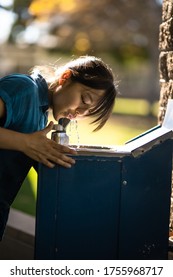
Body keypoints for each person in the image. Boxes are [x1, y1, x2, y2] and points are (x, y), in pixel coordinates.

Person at [0, 55, 117, 240]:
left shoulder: (41, 115)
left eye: (88, 112)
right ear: (65, 78)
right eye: (84, 100)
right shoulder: (23, 89)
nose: (79, 113)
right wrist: (26, 142)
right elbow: (26, 143)